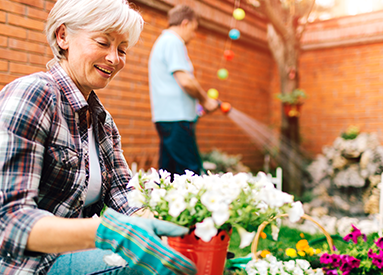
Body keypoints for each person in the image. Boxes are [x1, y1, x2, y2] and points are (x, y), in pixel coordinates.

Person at [0, 0, 197, 274]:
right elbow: (8, 221)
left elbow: (124, 195)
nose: (114, 58)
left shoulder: (102, 121)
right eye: (103, 43)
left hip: (74, 257)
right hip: (30, 265)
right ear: (63, 36)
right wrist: (109, 232)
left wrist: (175, 232)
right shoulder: (34, 95)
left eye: (122, 49)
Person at [148, 5, 219, 178]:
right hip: (177, 120)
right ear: (185, 23)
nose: (193, 36)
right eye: (193, 30)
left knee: (168, 175)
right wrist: (206, 100)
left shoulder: (163, 42)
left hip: (167, 118)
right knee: (191, 174)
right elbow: (186, 81)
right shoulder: (173, 41)